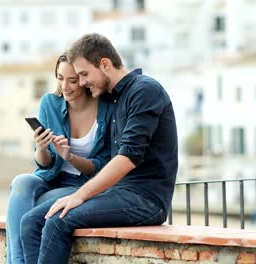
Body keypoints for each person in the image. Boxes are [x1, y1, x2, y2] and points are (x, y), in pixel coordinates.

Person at [19, 33, 178, 264]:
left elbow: (128, 157)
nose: (81, 82)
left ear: (105, 64)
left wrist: (79, 196)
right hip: (116, 193)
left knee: (58, 220)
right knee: (31, 221)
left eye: (84, 74)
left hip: (146, 200)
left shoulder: (145, 90)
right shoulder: (112, 100)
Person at [6, 52, 111, 264]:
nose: (65, 86)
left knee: (37, 207)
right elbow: (44, 163)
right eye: (60, 78)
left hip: (82, 185)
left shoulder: (106, 108)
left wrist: (70, 156)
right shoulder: (49, 103)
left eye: (72, 80)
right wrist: (41, 147)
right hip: (51, 178)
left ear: (84, 79)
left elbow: (101, 167)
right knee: (21, 182)